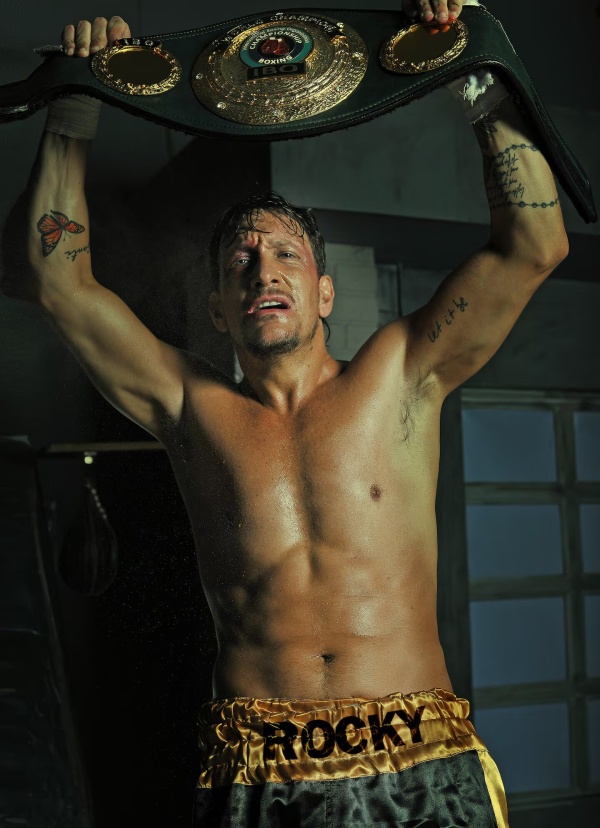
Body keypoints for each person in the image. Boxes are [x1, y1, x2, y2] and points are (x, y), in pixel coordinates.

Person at [3, 1, 568, 826]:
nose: (262, 269)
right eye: (240, 260)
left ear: (322, 292)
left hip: (420, 766)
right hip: (261, 773)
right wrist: (75, 102)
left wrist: (475, 66)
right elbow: (58, 281)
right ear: (219, 308)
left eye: (284, 254)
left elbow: (534, 245)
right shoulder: (189, 405)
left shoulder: (401, 373)